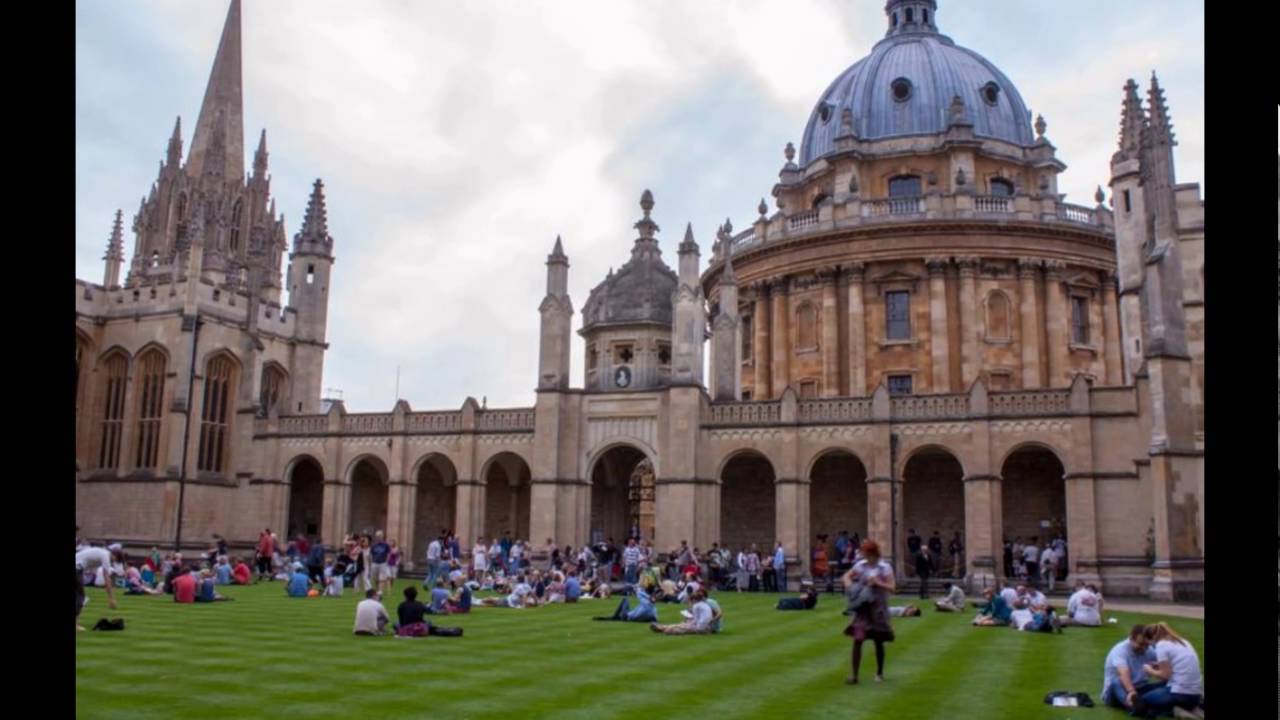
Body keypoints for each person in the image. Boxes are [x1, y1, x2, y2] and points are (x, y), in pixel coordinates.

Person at [841, 540, 895, 685]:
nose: (862, 554)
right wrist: (850, 587)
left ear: (871, 553)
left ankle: (879, 672)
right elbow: (846, 576)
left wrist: (878, 582)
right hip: (863, 608)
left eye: (864, 551)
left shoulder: (885, 567)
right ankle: (854, 676)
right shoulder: (860, 565)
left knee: (878, 641)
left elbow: (892, 587)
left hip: (877, 608)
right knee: (857, 640)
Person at [1137, 622, 1203, 716]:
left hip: (1180, 694)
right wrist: (1159, 665)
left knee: (1141, 703)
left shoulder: (1161, 645)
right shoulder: (1182, 641)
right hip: (1195, 694)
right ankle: (1190, 709)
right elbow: (1178, 665)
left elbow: (1165, 676)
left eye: (1148, 643)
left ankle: (1177, 711)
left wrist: (1149, 670)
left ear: (1151, 638)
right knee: (1157, 691)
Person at [1102, 625, 1158, 711]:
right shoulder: (1119, 650)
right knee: (1116, 682)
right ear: (1131, 638)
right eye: (1141, 644)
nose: (1144, 648)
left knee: (1167, 685)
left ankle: (1141, 705)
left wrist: (1158, 667)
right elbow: (1124, 673)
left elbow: (1165, 669)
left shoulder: (1149, 650)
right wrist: (1132, 692)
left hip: (1140, 689)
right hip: (1117, 692)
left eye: (1146, 645)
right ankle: (1134, 706)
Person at [75, 543, 123, 629]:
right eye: (115, 559)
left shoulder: (102, 552)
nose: (114, 561)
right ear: (114, 555)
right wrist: (111, 598)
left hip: (79, 568)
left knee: (80, 597)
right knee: (80, 597)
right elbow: (107, 578)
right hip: (77, 568)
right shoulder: (105, 556)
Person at [650, 588, 717, 635]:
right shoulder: (704, 604)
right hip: (707, 626)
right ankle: (663, 627)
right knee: (683, 625)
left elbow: (696, 621)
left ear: (694, 600)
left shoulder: (696, 606)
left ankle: (665, 628)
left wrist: (687, 622)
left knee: (683, 626)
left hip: (701, 627)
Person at [592, 586, 657, 622]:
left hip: (627, 617)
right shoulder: (653, 608)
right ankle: (615, 617)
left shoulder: (646, 603)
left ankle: (614, 617)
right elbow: (654, 618)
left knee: (625, 599)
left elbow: (639, 593)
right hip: (631, 616)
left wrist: (638, 589)